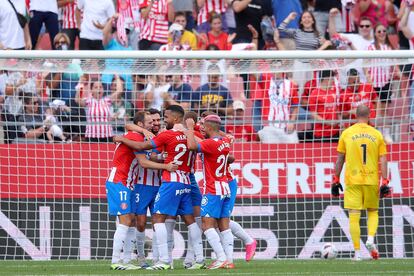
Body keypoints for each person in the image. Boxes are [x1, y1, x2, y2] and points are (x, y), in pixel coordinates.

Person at [113, 105, 205, 270]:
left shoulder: (165, 135)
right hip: (177, 182)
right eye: (153, 120)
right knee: (184, 220)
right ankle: (197, 259)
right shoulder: (190, 135)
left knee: (159, 219)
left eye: (162, 118)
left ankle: (163, 260)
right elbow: (130, 125)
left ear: (175, 118)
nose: (159, 122)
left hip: (168, 182)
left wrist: (121, 138)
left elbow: (141, 150)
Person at [106, 111, 177, 271]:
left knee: (130, 219)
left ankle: (125, 260)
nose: (152, 124)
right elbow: (144, 162)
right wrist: (166, 165)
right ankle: (116, 261)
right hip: (119, 181)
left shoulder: (139, 135)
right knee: (126, 221)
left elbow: (148, 155)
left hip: (128, 183)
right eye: (149, 122)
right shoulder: (135, 137)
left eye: (154, 122)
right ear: (140, 125)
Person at [331, 104, 390, 261]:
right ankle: (370, 239)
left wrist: (335, 179)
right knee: (372, 211)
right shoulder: (377, 134)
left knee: (354, 216)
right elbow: (383, 159)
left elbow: (340, 159)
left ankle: (357, 253)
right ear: (369, 115)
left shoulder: (347, 133)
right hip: (371, 179)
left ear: (356, 116)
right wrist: (385, 180)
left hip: (353, 180)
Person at [185, 114, 234, 269]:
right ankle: (230, 261)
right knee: (224, 225)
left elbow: (192, 146)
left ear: (210, 128)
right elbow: (215, 131)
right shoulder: (225, 141)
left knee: (207, 225)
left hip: (212, 189)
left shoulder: (209, 144)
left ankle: (221, 258)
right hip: (225, 187)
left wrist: (190, 128)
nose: (202, 129)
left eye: (204, 127)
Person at [366, 23, 401, 144]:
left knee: (386, 109)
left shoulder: (389, 47)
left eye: (383, 31)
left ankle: (385, 132)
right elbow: (365, 63)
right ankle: (377, 133)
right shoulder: (371, 47)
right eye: (379, 31)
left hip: (386, 81)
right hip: (374, 82)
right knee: (377, 108)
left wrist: (398, 72)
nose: (381, 33)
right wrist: (368, 77)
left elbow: (394, 63)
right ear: (375, 33)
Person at [258, 71, 300, 144]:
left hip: (286, 126)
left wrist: (292, 121)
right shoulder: (265, 81)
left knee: (294, 149)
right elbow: (255, 73)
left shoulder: (291, 85)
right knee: (270, 152)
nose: (276, 68)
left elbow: (295, 106)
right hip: (269, 125)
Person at [308, 70, 341, 142]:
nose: (333, 81)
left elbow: (336, 109)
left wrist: (340, 122)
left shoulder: (333, 92)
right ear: (326, 79)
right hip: (321, 134)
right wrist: (327, 122)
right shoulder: (315, 93)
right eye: (332, 78)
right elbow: (313, 114)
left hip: (335, 132)